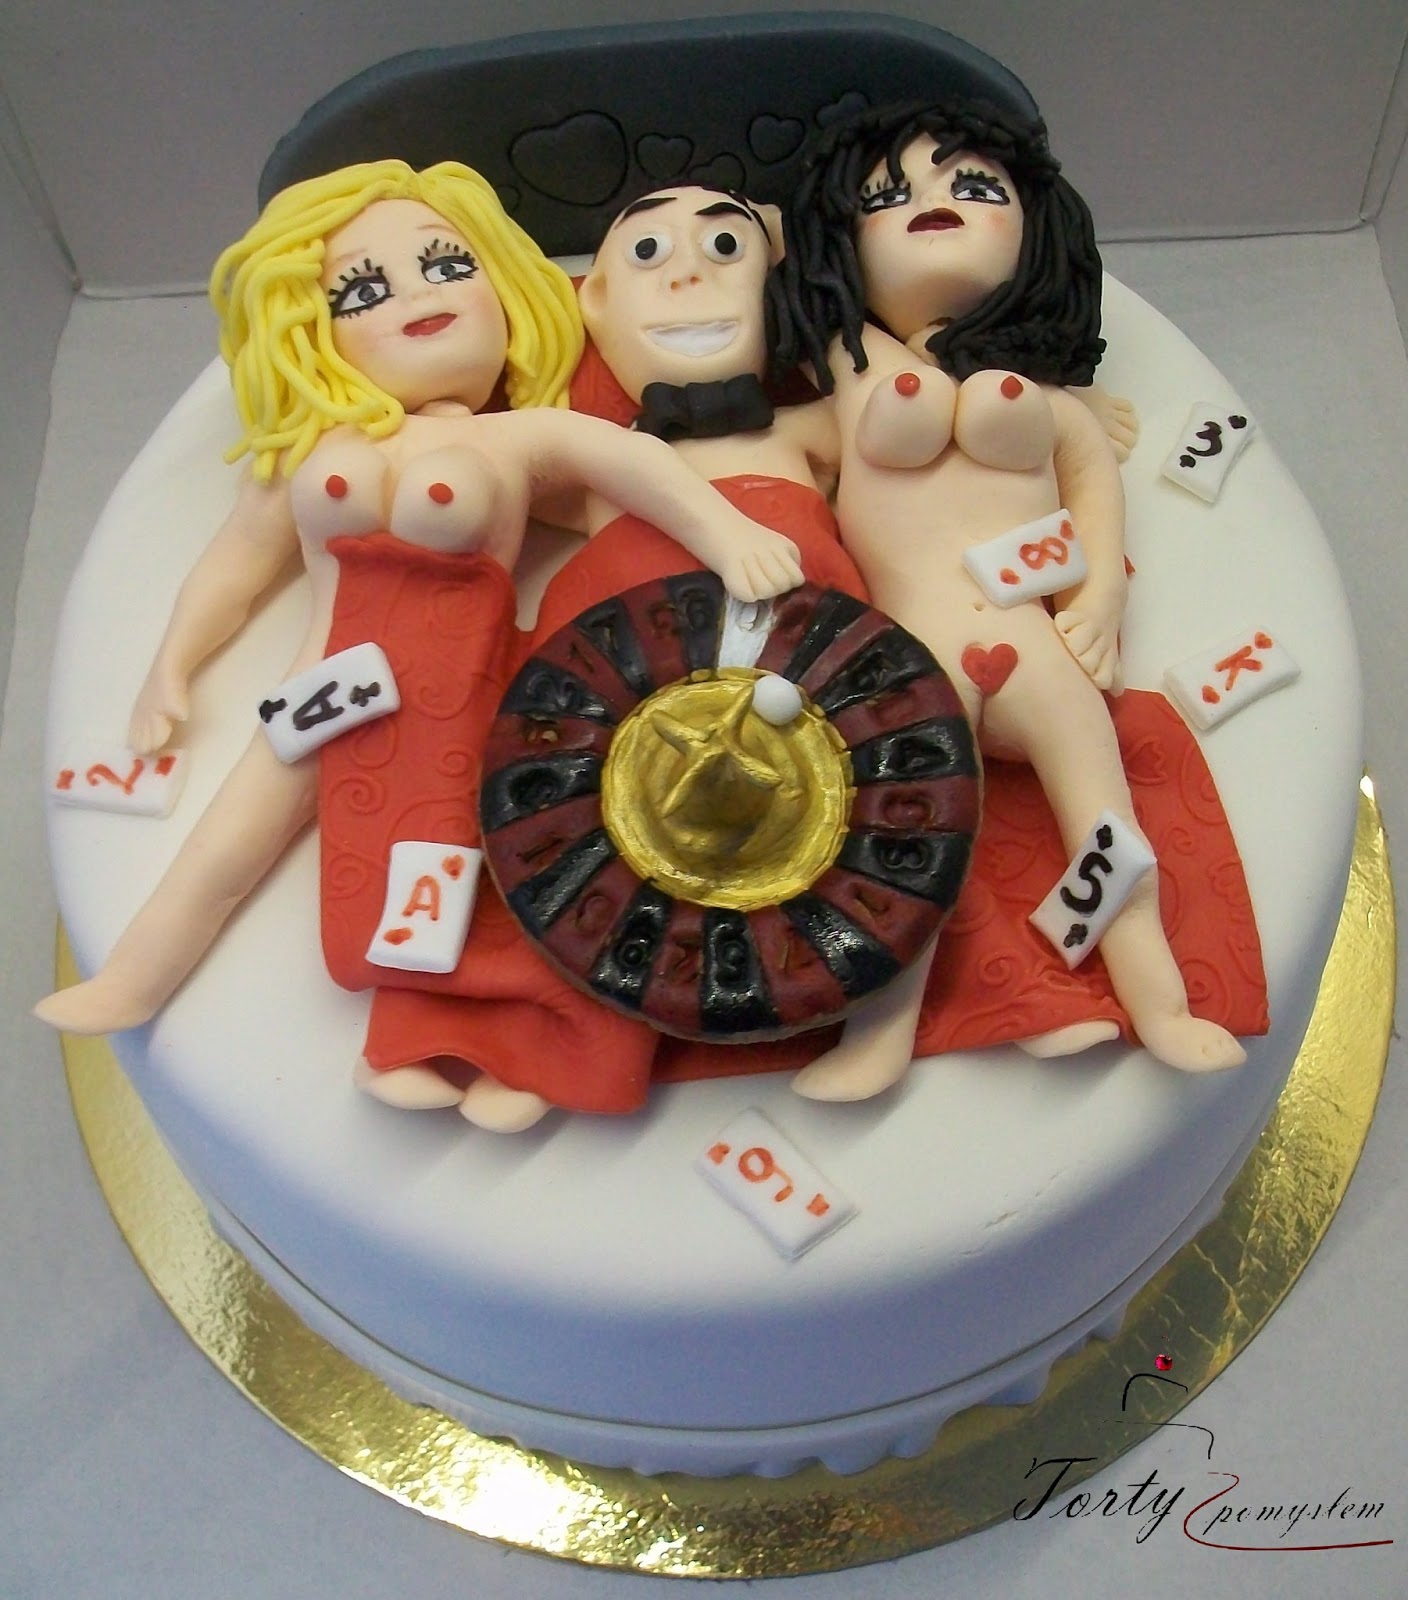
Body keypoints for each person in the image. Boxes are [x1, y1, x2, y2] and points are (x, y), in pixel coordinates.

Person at [35, 158, 805, 1114]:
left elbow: (638, 464)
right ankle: (134, 980)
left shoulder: (516, 437)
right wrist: (170, 668)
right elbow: (234, 566)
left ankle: (467, 1047)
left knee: (465, 878)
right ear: (311, 329)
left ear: (506, 287)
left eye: (447, 267)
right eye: (362, 291)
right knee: (230, 840)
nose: (415, 297)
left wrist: (731, 536)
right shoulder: (314, 450)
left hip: (458, 699)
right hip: (325, 685)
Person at [779, 100, 1247, 1098]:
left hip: (1037, 647)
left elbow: (1096, 492)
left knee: (1108, 827)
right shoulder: (844, 376)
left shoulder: (1047, 394)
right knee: (896, 850)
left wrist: (1100, 603)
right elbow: (782, 477)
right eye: (886, 197)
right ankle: (877, 1034)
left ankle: (1161, 1002)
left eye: (973, 186)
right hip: (912, 655)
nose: (934, 203)